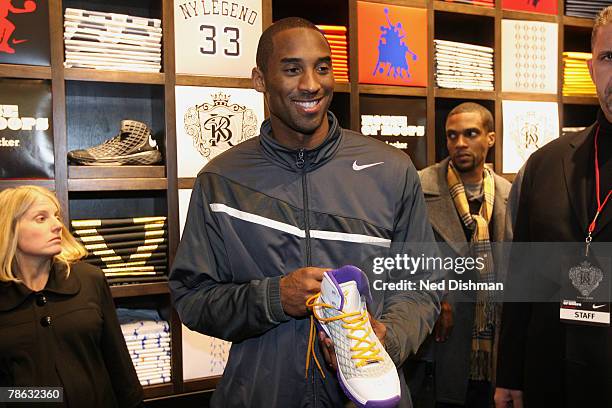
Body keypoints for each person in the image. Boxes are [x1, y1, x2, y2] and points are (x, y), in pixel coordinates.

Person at [169, 18, 440, 407]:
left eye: (323, 67)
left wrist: (389, 337)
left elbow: (420, 284)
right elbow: (193, 298)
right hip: (260, 395)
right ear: (260, 80)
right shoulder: (221, 179)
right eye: (292, 69)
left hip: (370, 397)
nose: (311, 83)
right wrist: (275, 297)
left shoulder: (392, 170)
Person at [495, 6, 612, 408]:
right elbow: (521, 275)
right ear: (591, 67)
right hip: (549, 376)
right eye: (608, 57)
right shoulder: (545, 163)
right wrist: (509, 372)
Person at [0, 185, 143, 407]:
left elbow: (120, 367)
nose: (57, 225)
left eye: (56, 216)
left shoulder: (89, 280)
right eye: (41, 218)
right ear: (10, 229)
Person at [411, 103, 510, 407]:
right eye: (452, 136)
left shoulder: (510, 194)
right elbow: (402, 258)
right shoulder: (419, 186)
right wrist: (436, 298)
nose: (460, 143)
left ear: (490, 138)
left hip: (492, 343)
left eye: (471, 134)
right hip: (441, 342)